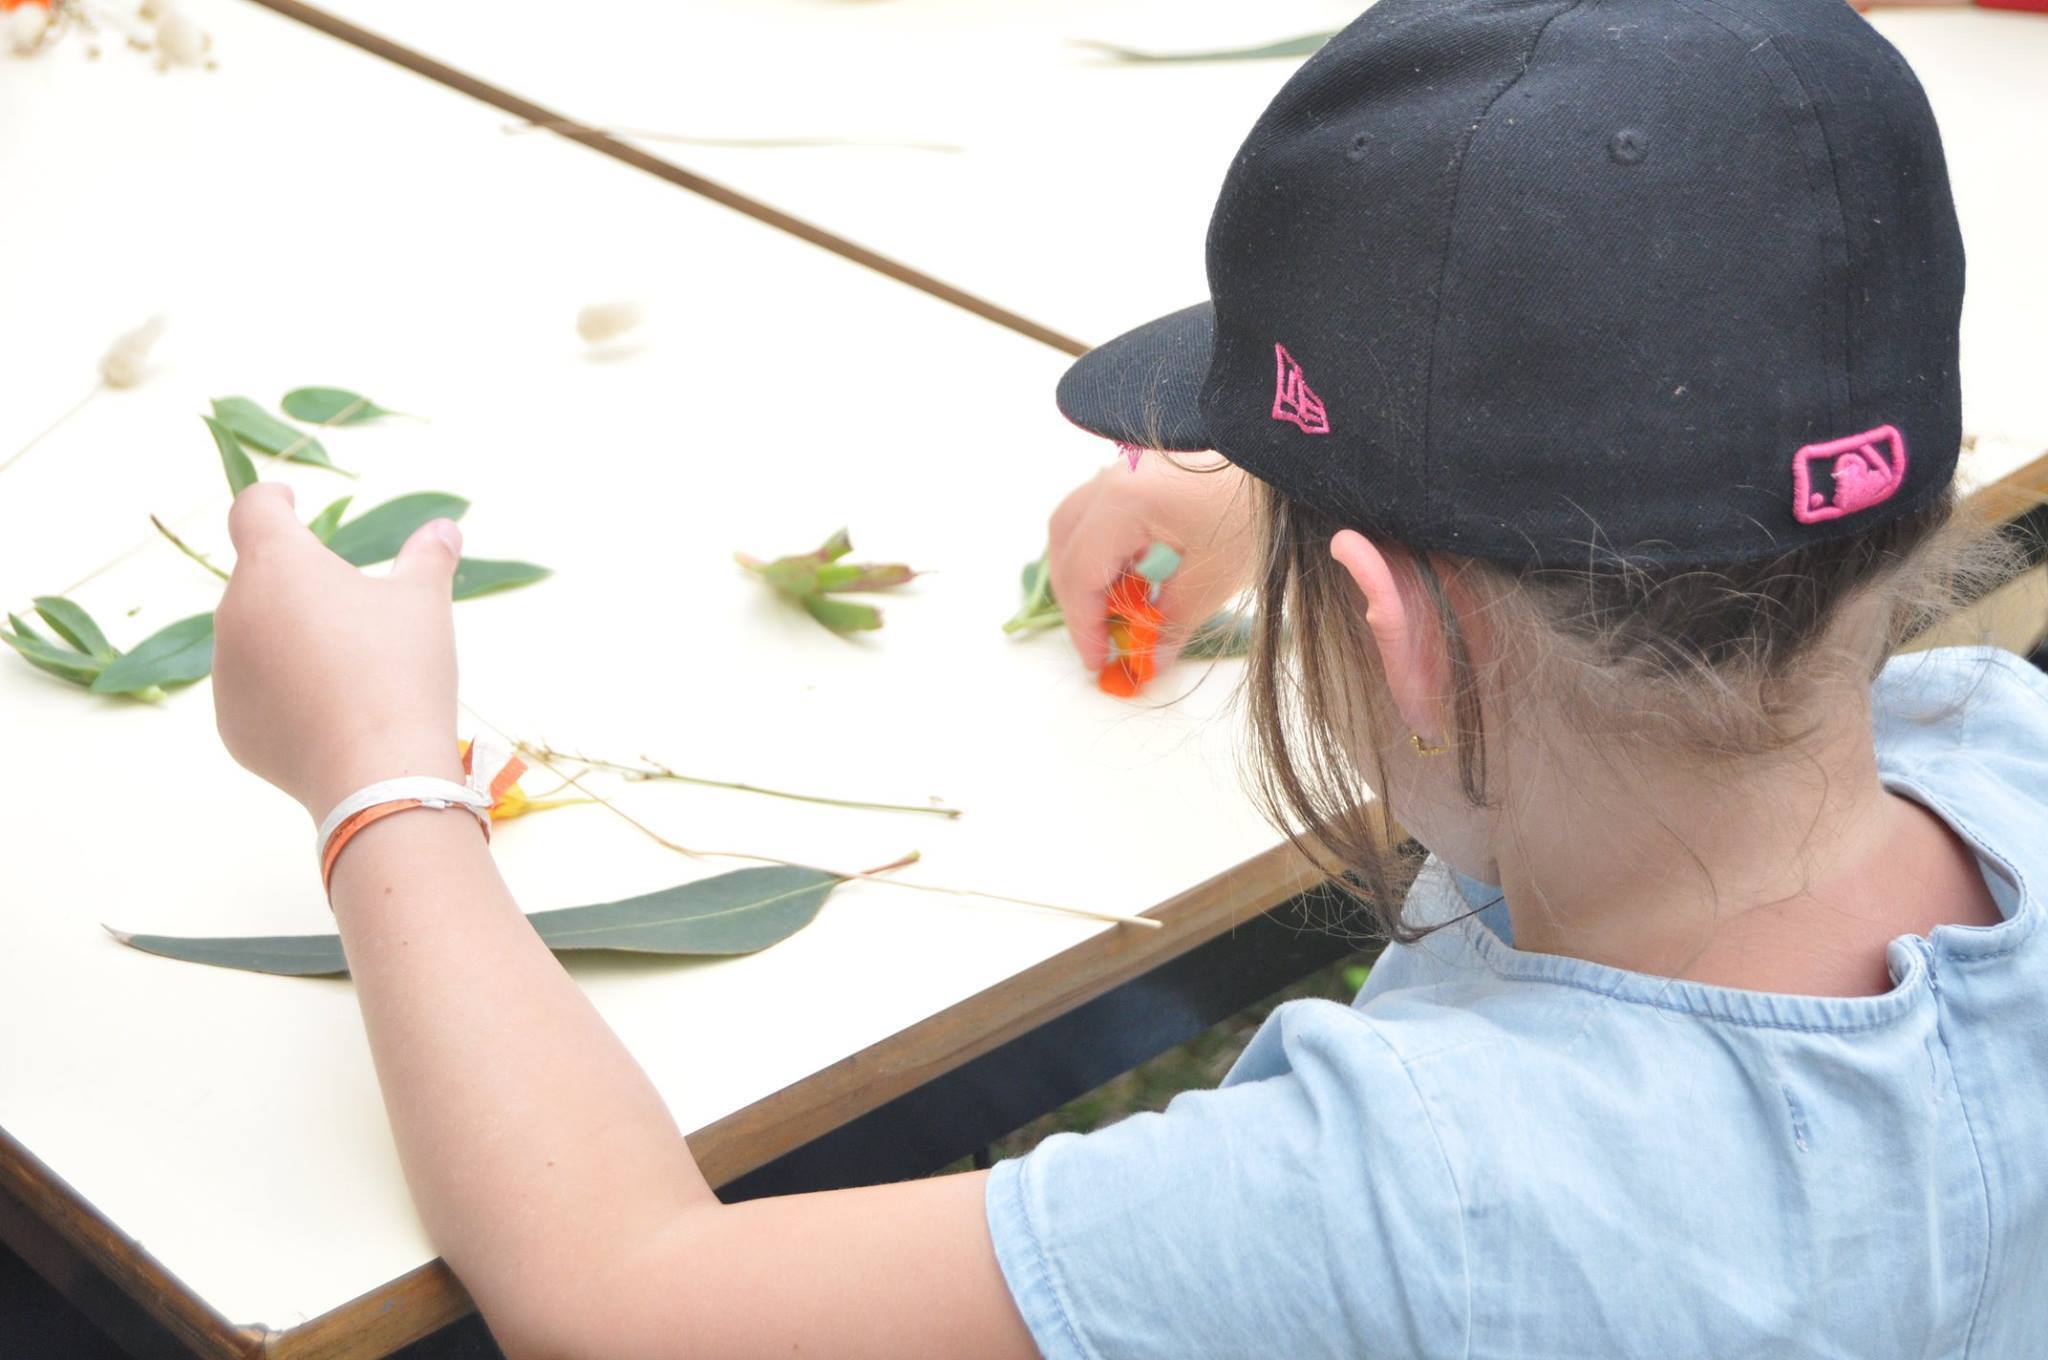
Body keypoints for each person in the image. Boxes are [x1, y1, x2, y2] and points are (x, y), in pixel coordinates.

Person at [207, 0, 2048, 1354]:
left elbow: (619, 1292)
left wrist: (378, 771)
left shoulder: (1408, 1199)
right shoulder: (2009, 751)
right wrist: (1322, 499)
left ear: (1394, 632)